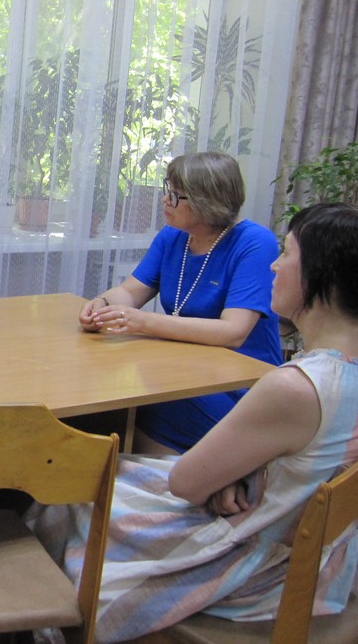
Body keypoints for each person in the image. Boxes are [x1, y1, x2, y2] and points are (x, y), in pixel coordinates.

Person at [29, 202, 358, 643]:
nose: (274, 266)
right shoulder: (341, 373)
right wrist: (236, 472)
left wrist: (223, 476)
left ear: (321, 276)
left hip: (263, 565)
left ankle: (51, 621)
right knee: (112, 472)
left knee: (76, 487)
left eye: (287, 254)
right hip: (320, 554)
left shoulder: (297, 387)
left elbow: (185, 483)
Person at [78, 152, 282, 453]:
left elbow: (233, 332)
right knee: (103, 395)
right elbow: (131, 292)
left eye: (175, 195)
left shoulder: (255, 243)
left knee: (131, 402)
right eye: (167, 190)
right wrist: (102, 303)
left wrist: (141, 321)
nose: (165, 200)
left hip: (240, 387)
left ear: (206, 201)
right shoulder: (173, 236)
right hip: (187, 370)